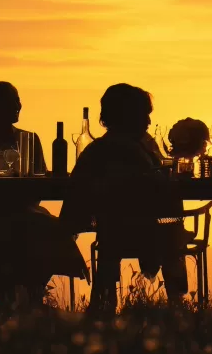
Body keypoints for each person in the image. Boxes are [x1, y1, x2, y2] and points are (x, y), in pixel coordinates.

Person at [61, 83, 191, 307]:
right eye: (145, 115)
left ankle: (102, 302)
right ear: (132, 116)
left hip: (111, 233)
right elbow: (162, 191)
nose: (149, 122)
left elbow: (77, 194)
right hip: (155, 229)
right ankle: (177, 301)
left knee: (119, 234)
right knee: (176, 222)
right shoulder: (138, 153)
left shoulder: (95, 151)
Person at [0, 81, 85, 305]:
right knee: (32, 228)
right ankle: (23, 296)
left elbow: (39, 185)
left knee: (46, 227)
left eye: (18, 100)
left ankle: (27, 294)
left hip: (27, 213)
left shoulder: (29, 139)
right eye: (12, 100)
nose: (18, 105)